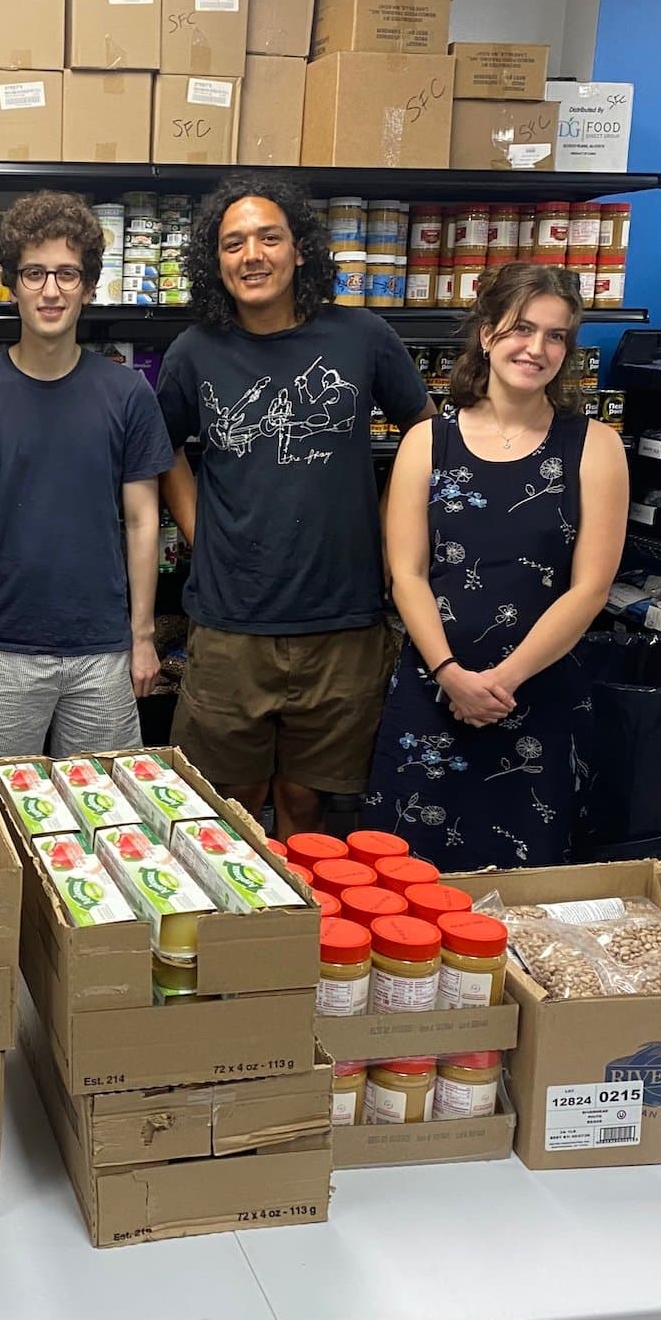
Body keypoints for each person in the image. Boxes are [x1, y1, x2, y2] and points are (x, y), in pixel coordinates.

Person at [157, 174, 435, 839]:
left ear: (300, 249)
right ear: (215, 262)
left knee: (309, 802)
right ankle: (240, 933)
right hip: (231, 620)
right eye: (233, 243)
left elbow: (427, 434)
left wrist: (394, 536)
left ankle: (301, 932)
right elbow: (158, 449)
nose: (251, 254)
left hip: (343, 617)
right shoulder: (195, 351)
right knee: (231, 799)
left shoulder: (362, 336)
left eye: (268, 237)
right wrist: (200, 531)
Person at [360, 264, 627, 868]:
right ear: (486, 334)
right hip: (434, 692)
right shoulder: (428, 442)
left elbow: (590, 588)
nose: (537, 348)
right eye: (522, 328)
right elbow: (406, 573)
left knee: (530, 892)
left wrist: (503, 680)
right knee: (408, 875)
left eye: (556, 336)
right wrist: (451, 673)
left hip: (539, 695)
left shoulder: (595, 446)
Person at [0, 190, 173, 758]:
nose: (50, 290)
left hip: (103, 652)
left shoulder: (127, 394)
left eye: (67, 274)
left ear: (89, 287)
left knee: (106, 816)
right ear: (11, 283)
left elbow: (143, 523)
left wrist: (142, 636)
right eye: (35, 272)